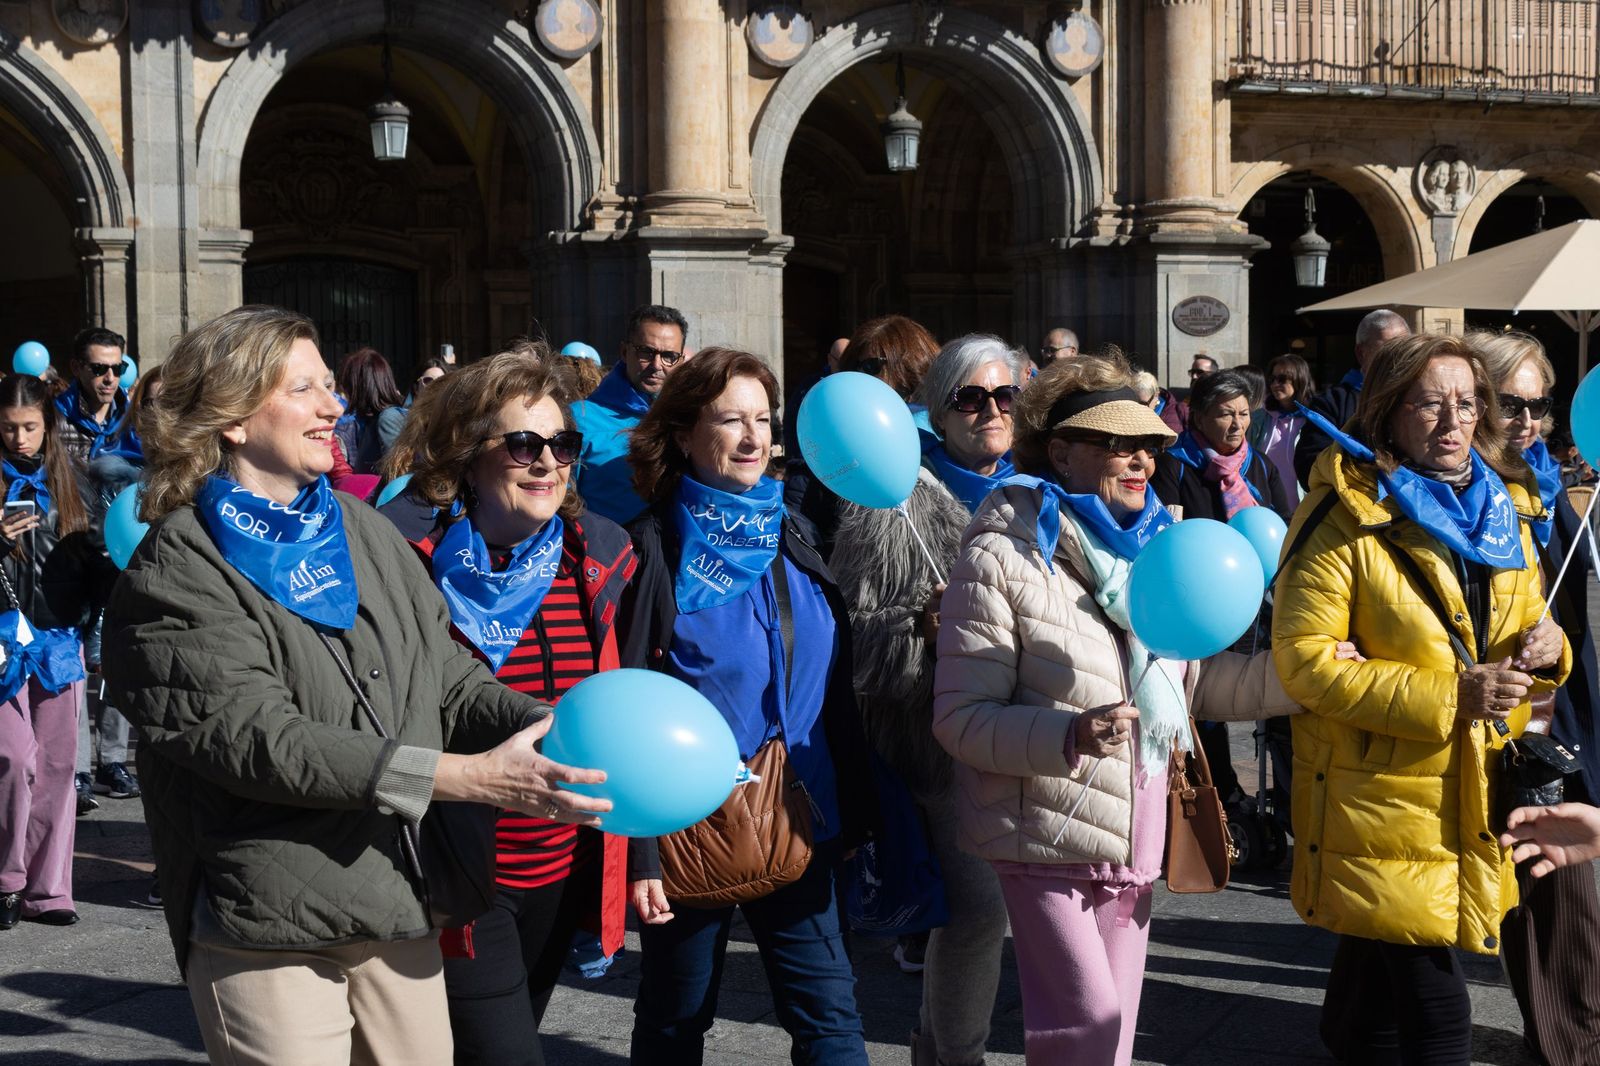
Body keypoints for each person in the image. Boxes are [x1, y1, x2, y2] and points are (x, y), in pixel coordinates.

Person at [101, 305, 612, 1065]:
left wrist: (550, 721)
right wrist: (466, 778)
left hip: (396, 897)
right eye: (304, 389)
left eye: (331, 387)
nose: (334, 406)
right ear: (234, 417)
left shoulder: (361, 527)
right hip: (268, 919)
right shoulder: (179, 563)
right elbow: (261, 742)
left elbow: (442, 674)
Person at [931, 353, 1297, 1065]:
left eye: (1149, 445)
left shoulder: (1160, 548)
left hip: (1137, 836)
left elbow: (1200, 689)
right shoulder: (1004, 553)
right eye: (1114, 444)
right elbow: (962, 719)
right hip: (1042, 837)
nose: (1138, 461)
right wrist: (1070, 733)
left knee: (1114, 1040)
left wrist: (1301, 678)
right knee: (1086, 1033)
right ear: (1061, 452)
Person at [1273, 332, 1570, 1064]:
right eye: (1430, 404)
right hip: (1379, 792)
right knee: (1439, 1008)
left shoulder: (1506, 510)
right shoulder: (1343, 515)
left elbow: (1531, 622)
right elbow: (1305, 664)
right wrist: (1450, 695)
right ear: (1388, 413)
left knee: (1372, 988)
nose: (1452, 422)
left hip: (1474, 783)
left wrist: (1550, 650)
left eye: (1468, 403)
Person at [619, 346, 876, 1065]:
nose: (753, 437)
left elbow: (831, 687)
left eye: (763, 419)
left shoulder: (790, 532)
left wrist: (855, 807)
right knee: (676, 1015)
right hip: (689, 818)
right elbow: (629, 708)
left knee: (830, 1015)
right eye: (730, 419)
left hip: (803, 812)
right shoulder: (653, 548)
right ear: (682, 435)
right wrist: (638, 856)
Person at [398, 345, 637, 1066]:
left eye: (561, 444)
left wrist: (641, 855)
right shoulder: (411, 561)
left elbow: (623, 715)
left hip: (562, 871)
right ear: (468, 456)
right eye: (523, 444)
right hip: (463, 875)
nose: (547, 464)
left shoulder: (596, 554)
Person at [830, 334, 1023, 1066]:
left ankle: (933, 1047)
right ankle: (953, 1055)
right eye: (971, 400)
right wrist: (923, 624)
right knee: (976, 912)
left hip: (1029, 731)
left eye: (1004, 397)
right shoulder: (892, 496)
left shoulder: (1035, 493)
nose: (990, 412)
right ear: (938, 414)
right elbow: (855, 636)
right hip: (937, 740)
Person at [1473, 329, 1600, 1065]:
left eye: (1539, 405)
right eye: (1510, 404)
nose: (1526, 422)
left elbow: (1575, 615)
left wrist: (1562, 642)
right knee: (1558, 907)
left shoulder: (1549, 490)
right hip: (1510, 727)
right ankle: (1572, 1048)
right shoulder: (1465, 497)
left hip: (1568, 718)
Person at [0, 372, 105, 930]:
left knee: (61, 767)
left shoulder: (74, 482)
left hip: (59, 639)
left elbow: (90, 565)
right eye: (10, 428)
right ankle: (7, 878)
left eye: (30, 428)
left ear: (48, 425)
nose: (20, 439)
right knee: (14, 760)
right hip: (0, 643)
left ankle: (49, 889)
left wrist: (104, 565)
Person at [76, 364, 167, 812]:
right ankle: (98, 765)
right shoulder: (113, 465)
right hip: (117, 588)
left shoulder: (214, 467)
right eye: (150, 403)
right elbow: (96, 530)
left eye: (171, 400)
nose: (159, 413)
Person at [787, 314, 940, 557]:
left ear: (909, 366)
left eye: (870, 366)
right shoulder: (835, 443)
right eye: (853, 367)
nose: (858, 376)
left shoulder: (941, 443)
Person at [572, 304, 691, 526]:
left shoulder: (691, 418)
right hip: (610, 556)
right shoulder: (579, 418)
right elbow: (562, 504)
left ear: (681, 361)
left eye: (669, 356)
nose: (657, 365)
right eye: (646, 352)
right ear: (625, 352)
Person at [1292, 308, 1410, 486]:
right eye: (1385, 350)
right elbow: (1308, 467)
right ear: (1361, 353)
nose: (1396, 358)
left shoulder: (1420, 397)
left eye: (1403, 348)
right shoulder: (1330, 404)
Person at [56, 326, 131, 462]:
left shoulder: (133, 419)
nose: (110, 378)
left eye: (118, 368)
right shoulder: (54, 418)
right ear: (76, 368)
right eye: (99, 368)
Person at [334, 346, 408, 475]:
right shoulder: (369, 421)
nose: (345, 393)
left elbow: (399, 474)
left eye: (347, 386)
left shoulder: (388, 418)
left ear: (358, 387)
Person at [1255, 353, 1316, 507]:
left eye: (1282, 379)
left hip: (1302, 505)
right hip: (1264, 504)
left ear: (1299, 380)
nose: (1275, 384)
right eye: (1272, 379)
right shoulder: (1260, 417)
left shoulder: (1315, 419)